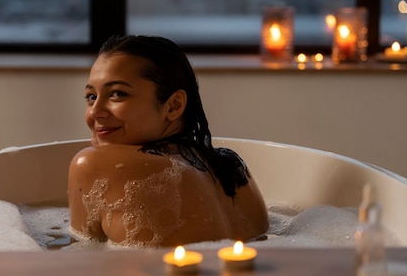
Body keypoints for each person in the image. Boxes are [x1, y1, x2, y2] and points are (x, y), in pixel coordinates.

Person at [67, 35, 269, 247]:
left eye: (118, 94)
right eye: (91, 97)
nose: (95, 112)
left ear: (173, 106)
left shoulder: (94, 165)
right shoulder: (231, 167)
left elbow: (80, 260)